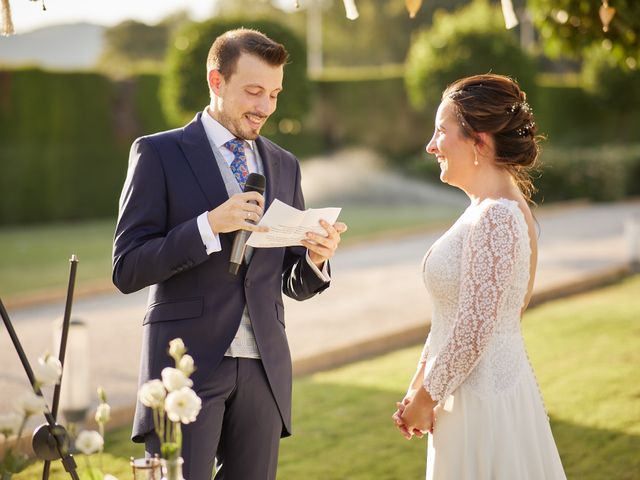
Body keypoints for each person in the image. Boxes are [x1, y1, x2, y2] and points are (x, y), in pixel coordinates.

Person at [112, 28, 346, 480]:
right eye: (254, 91)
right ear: (216, 81)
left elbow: (289, 279)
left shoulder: (284, 163)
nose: (265, 107)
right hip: (186, 366)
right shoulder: (158, 153)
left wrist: (316, 258)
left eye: (274, 94)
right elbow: (127, 268)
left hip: (264, 367)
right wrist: (207, 226)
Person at [392, 74, 566, 479]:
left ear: (479, 141)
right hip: (459, 393)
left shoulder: (498, 216)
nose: (430, 145)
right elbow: (451, 316)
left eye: (440, 131)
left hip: (483, 401)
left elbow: (474, 328)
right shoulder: (483, 210)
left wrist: (427, 397)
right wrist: (417, 387)